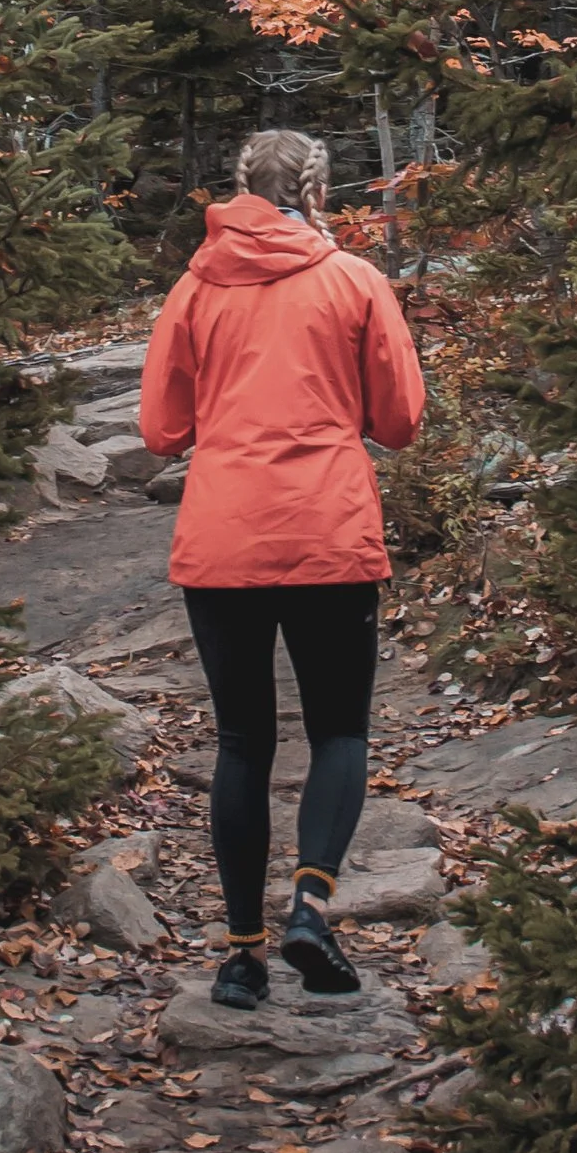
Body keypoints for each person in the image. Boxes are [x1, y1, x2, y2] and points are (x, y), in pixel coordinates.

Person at [138, 127, 428, 1009]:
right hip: (329, 532)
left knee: (241, 743)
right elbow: (402, 420)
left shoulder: (194, 289)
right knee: (338, 731)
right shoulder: (353, 281)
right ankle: (311, 902)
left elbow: (160, 430)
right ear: (316, 192)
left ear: (239, 188)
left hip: (223, 538)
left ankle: (240, 958)